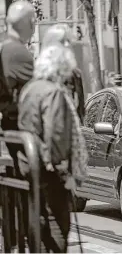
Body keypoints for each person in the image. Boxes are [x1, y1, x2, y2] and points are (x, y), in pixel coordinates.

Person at [17, 44, 89, 252]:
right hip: (48, 170)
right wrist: (63, 171)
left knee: (39, 221)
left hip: (29, 166)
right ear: (59, 69)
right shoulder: (53, 93)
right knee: (57, 221)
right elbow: (55, 134)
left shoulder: (30, 88)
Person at [0, 0, 35, 249]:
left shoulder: (5, 47)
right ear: (25, 23)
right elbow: (40, 92)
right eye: (33, 20)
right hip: (18, 141)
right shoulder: (17, 52)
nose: (35, 25)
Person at [41, 24, 85, 122]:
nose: (66, 45)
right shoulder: (41, 78)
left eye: (68, 41)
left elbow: (80, 110)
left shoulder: (76, 75)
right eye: (61, 42)